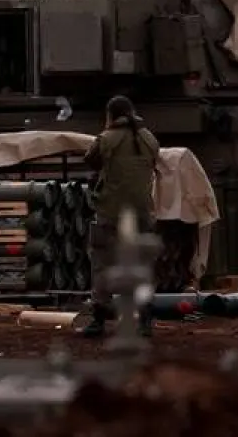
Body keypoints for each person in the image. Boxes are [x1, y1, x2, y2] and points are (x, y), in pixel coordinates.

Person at [79, 95, 160, 338]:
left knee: (102, 262)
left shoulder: (106, 139)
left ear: (111, 115)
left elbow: (91, 160)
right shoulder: (149, 138)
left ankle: (99, 319)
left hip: (112, 212)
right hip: (143, 212)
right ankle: (145, 320)